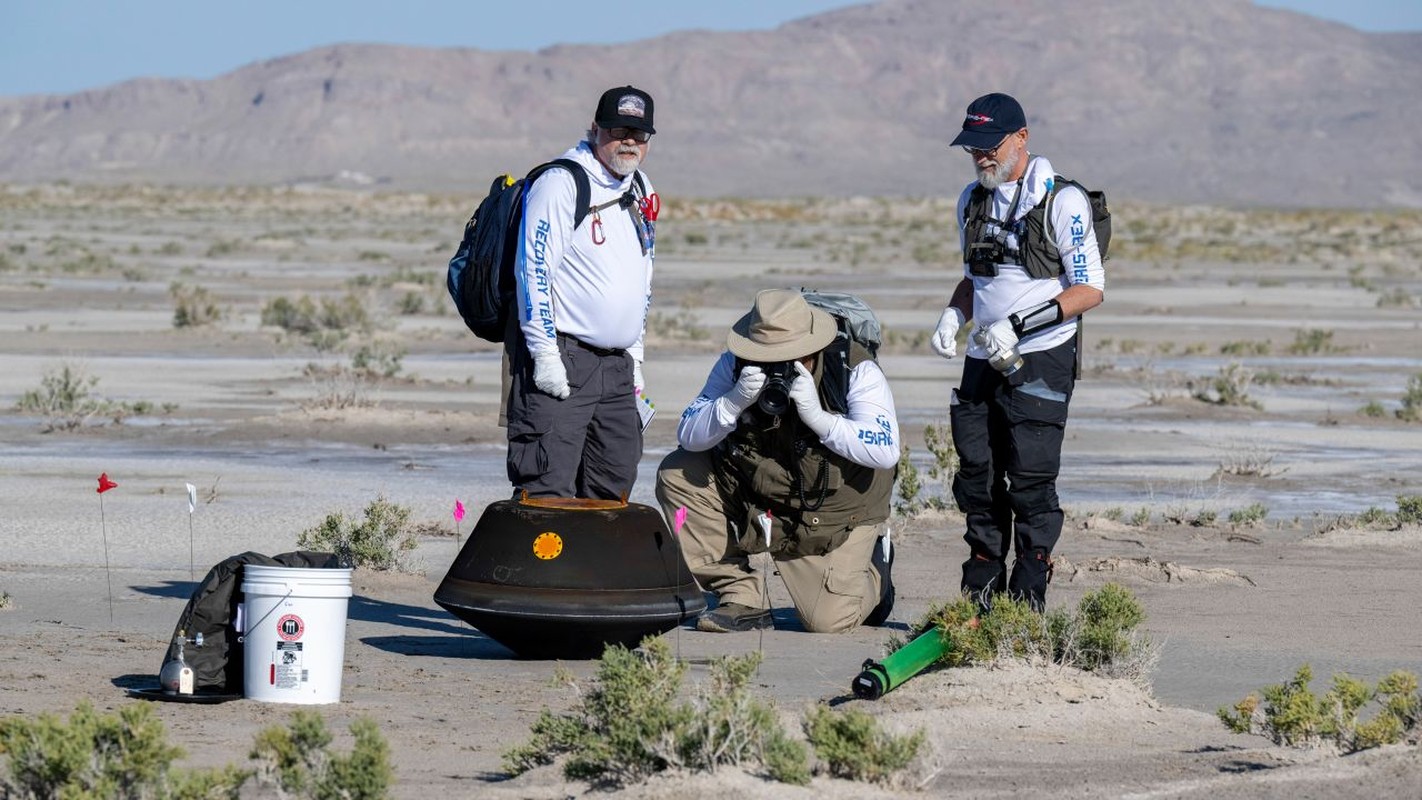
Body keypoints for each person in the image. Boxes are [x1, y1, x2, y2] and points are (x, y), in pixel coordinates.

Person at [928, 92, 1106, 612]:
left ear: (1021, 138)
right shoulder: (971, 200)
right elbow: (974, 280)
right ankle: (980, 589)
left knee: (1029, 478)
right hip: (984, 357)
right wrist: (953, 315)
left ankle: (1027, 597)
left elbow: (1089, 289)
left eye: (989, 146)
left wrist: (1019, 324)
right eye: (972, 148)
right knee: (977, 475)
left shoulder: (1062, 201)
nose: (980, 157)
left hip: (1042, 358)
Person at [656, 289, 900, 633]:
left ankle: (877, 570)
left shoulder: (853, 369)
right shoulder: (735, 364)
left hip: (834, 512)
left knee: (827, 621)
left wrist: (820, 419)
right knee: (678, 472)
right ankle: (739, 594)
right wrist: (732, 402)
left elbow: (886, 448)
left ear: (814, 347)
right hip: (761, 491)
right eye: (764, 356)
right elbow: (689, 434)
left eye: (790, 357)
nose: (776, 367)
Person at [507, 85, 658, 499]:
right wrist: (544, 357)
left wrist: (636, 358)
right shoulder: (562, 182)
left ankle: (598, 566)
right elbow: (533, 271)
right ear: (595, 129)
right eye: (617, 130)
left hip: (618, 368)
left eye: (639, 134)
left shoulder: (639, 186)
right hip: (564, 356)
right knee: (547, 486)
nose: (628, 141)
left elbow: (642, 276)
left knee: (614, 483)